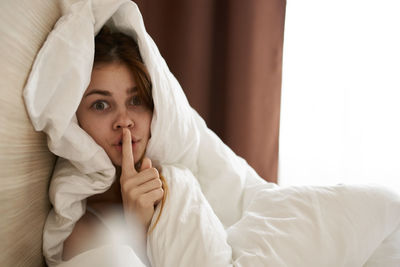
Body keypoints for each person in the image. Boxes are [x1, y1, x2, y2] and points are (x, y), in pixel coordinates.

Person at [62, 26, 168, 263]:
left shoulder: (176, 178)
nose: (124, 121)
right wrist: (136, 225)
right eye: (101, 105)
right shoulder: (82, 232)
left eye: (136, 100)